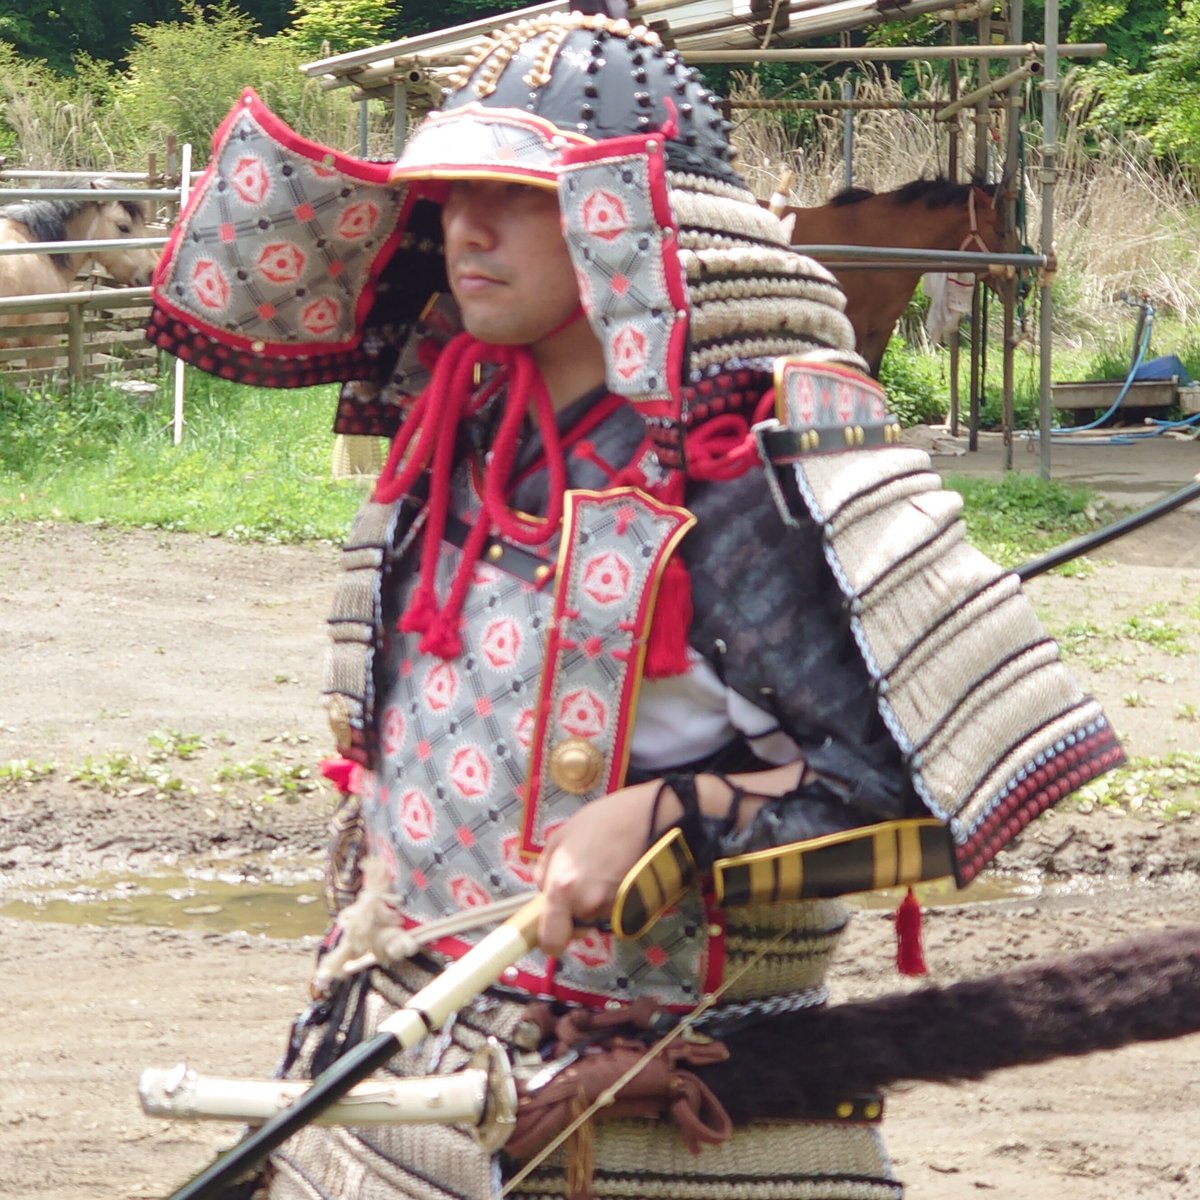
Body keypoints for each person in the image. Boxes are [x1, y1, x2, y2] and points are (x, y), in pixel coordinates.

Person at [148, 8, 1122, 1199]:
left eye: (520, 194)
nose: (467, 226)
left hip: (661, 1126)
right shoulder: (451, 434)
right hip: (391, 1081)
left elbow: (940, 799)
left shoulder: (754, 478)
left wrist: (675, 817)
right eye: (452, 191)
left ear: (634, 219)